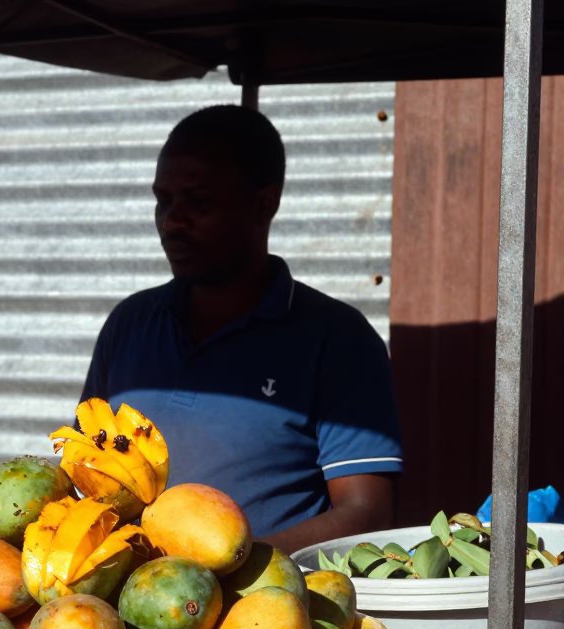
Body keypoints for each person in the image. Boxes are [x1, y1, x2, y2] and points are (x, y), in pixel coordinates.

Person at [80, 105, 402, 552]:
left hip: (263, 612)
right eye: (164, 200)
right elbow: (84, 469)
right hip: (122, 609)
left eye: (200, 202)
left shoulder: (338, 339)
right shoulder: (129, 325)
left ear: (263, 204)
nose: (172, 221)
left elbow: (368, 514)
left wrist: (232, 568)